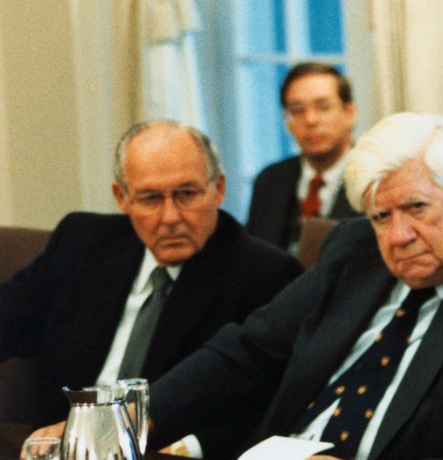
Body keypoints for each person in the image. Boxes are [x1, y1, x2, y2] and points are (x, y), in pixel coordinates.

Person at [148, 113, 443, 460]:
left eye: (416, 208)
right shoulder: (353, 250)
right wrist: (138, 418)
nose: (398, 236)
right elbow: (250, 348)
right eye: (381, 216)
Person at [0, 120, 302, 433]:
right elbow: (9, 320)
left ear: (218, 189)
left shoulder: (264, 274)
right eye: (150, 199)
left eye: (187, 194)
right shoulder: (82, 243)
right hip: (57, 453)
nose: (170, 217)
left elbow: (264, 403)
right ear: (122, 197)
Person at [246, 62, 358, 251]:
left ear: (349, 114)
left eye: (323, 107)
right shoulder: (270, 180)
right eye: (297, 110)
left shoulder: (374, 180)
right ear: (287, 122)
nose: (310, 120)